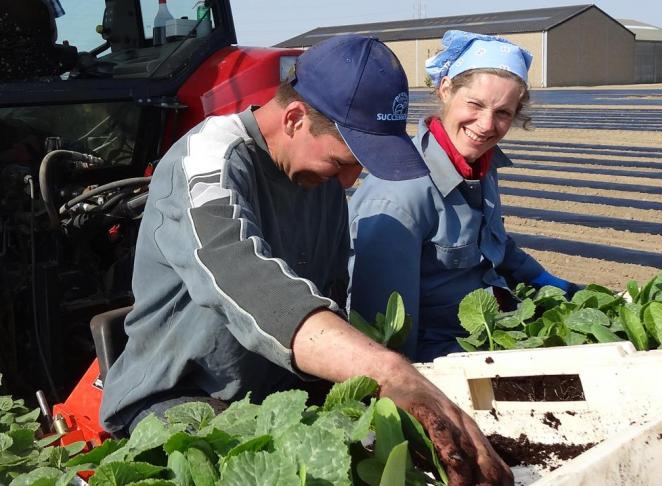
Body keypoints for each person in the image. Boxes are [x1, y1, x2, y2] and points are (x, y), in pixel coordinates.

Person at [100, 34, 512, 484]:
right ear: (294, 119)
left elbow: (332, 291)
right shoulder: (208, 159)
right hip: (181, 397)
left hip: (280, 394)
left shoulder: (322, 183)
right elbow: (242, 275)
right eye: (342, 161)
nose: (352, 179)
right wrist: (387, 369)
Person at [348, 30, 581, 363]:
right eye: (475, 104)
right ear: (445, 90)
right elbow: (385, 331)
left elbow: (493, 245)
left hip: (485, 336)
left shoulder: (480, 166)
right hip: (438, 357)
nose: (486, 125)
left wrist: (547, 282)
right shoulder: (400, 196)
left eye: (503, 113)